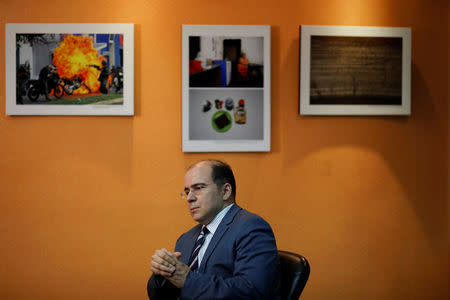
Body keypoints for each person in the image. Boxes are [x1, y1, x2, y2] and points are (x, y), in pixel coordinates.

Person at [147, 160, 280, 300]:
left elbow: (251, 292)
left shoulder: (251, 228)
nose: (189, 198)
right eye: (187, 192)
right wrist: (163, 273)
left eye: (198, 188)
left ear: (225, 191)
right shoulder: (186, 238)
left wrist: (187, 280)